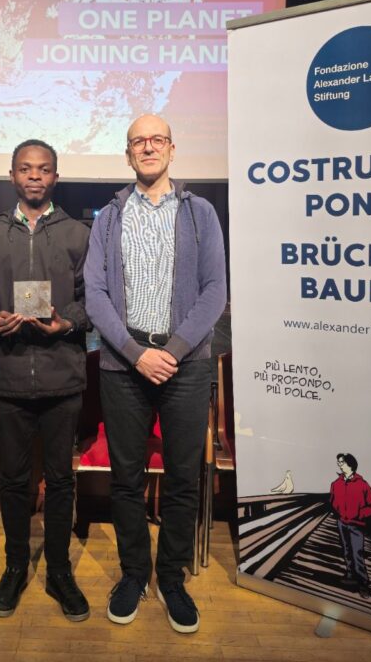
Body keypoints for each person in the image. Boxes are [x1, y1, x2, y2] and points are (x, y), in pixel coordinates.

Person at [84, 114, 227, 634]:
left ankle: (171, 578)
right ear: (128, 154)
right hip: (123, 365)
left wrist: (174, 349)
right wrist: (134, 352)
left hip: (186, 364)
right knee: (126, 479)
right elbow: (95, 293)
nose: (148, 148)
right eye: (138, 142)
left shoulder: (200, 213)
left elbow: (215, 290)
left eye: (156, 139)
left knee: (184, 478)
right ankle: (132, 575)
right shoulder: (109, 217)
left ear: (172, 148)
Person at [0, 139, 92, 621]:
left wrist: (67, 322)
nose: (34, 176)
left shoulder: (79, 233)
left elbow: (94, 300)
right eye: (26, 169)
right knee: (14, 480)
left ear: (55, 177)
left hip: (63, 377)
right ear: (12, 176)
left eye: (43, 169)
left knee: (60, 480)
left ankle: (59, 571)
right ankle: (15, 566)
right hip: (11, 377)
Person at [329, 452, 371, 598]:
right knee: (346, 550)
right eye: (338, 462)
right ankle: (351, 576)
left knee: (357, 553)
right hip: (342, 523)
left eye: (342, 462)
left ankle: (363, 583)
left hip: (356, 525)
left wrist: (359, 514)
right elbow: (332, 501)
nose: (339, 465)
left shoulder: (363, 485)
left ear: (350, 464)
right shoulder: (335, 484)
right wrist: (338, 512)